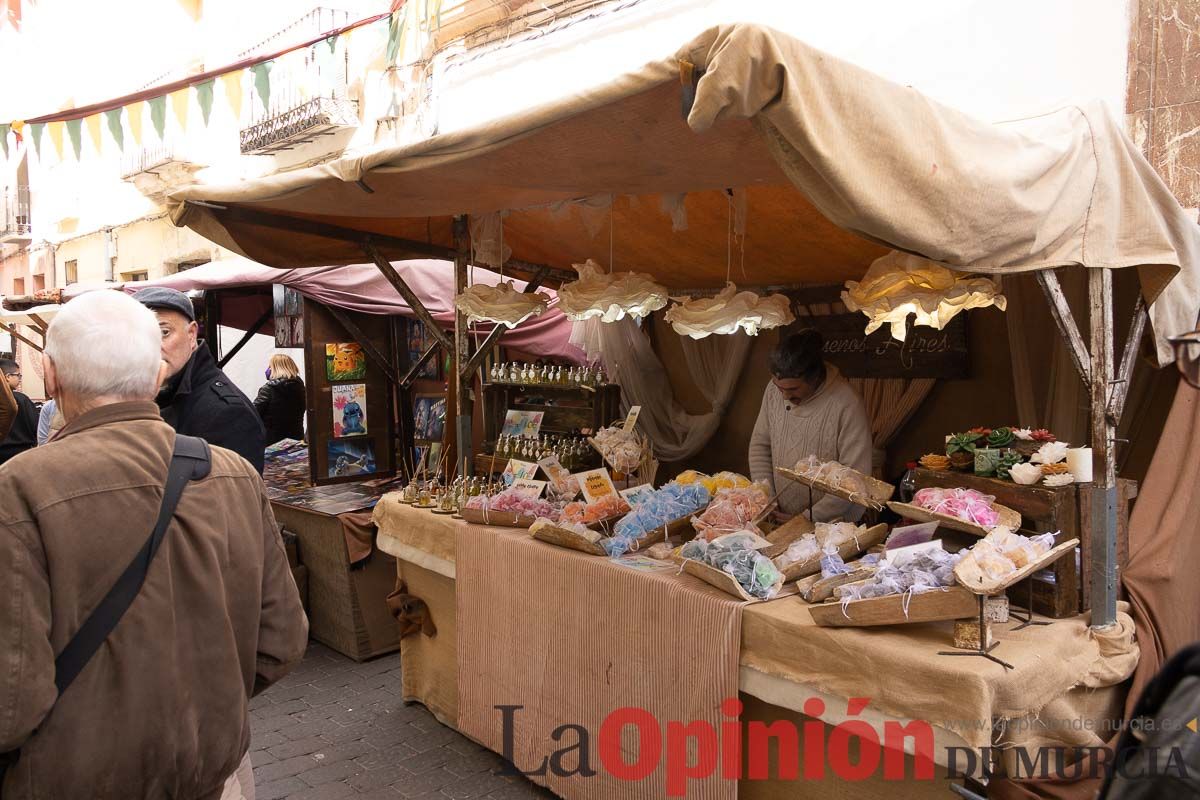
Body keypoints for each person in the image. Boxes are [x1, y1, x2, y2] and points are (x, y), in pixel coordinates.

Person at [0, 290, 308, 799]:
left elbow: (11, 703)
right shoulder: (231, 474)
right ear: (154, 371)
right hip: (212, 772)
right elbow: (281, 641)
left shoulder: (18, 489)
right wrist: (205, 706)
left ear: (50, 377)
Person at [133, 286, 266, 473]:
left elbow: (236, 496)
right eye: (140, 336)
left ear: (191, 334)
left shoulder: (227, 412)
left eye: (164, 333)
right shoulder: (139, 396)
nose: (152, 346)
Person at [748, 330, 873, 522]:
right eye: (779, 387)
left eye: (793, 389)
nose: (784, 396)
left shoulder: (846, 403)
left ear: (814, 378)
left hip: (832, 524)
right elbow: (759, 447)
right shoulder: (774, 391)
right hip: (778, 515)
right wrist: (766, 499)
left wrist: (808, 518)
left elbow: (854, 478)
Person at [253, 353, 306, 445]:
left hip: (272, 442)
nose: (268, 369)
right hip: (295, 439)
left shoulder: (268, 389)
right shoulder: (301, 388)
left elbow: (254, 413)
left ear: (276, 368)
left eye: (270, 366)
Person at [0, 358, 38, 465]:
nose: (20, 379)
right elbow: (35, 427)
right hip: (22, 455)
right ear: (7, 377)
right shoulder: (22, 399)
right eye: (18, 375)